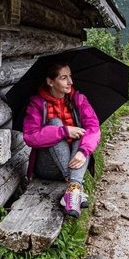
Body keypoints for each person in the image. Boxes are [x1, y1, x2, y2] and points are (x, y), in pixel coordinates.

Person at [22, 62, 100, 217]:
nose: (70, 82)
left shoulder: (79, 99)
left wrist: (84, 152)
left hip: (74, 162)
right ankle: (75, 187)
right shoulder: (37, 104)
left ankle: (73, 189)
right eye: (64, 78)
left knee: (83, 133)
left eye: (70, 76)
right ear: (50, 82)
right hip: (47, 166)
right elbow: (30, 137)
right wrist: (63, 131)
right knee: (55, 124)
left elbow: (94, 128)